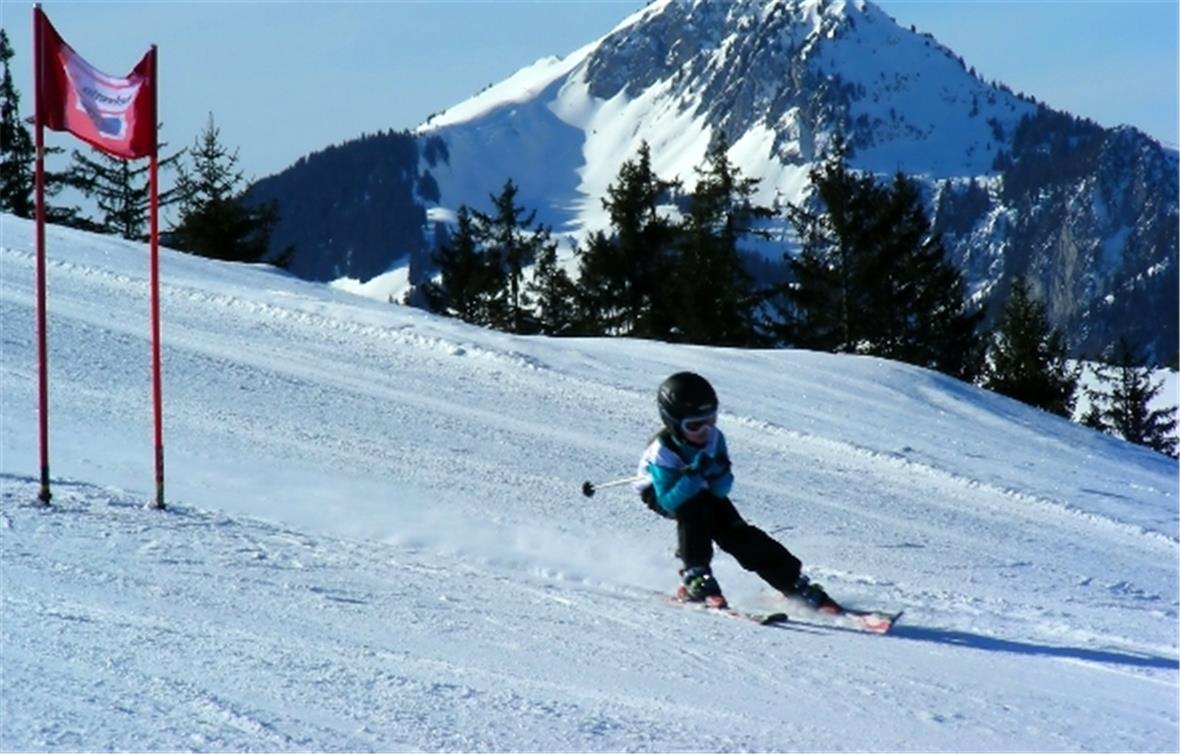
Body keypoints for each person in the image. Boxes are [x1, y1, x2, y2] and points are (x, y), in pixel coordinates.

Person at [634, 371, 839, 612]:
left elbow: (721, 491)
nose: (704, 430)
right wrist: (693, 476)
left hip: (699, 486)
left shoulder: (714, 438)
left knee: (735, 530)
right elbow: (669, 501)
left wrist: (717, 472)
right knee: (693, 509)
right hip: (659, 490)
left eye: (710, 420)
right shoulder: (663, 452)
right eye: (694, 425)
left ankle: (790, 581)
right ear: (673, 423)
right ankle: (695, 575)